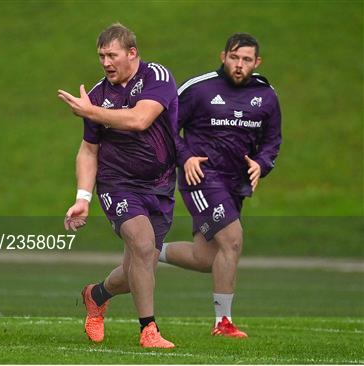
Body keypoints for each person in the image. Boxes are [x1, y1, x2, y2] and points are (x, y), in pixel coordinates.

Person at [57, 23, 178, 348]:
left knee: (140, 268)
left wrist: (92, 112)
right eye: (101, 56)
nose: (106, 62)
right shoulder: (97, 96)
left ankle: (96, 295)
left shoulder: (157, 77)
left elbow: (141, 119)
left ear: (132, 53)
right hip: (117, 184)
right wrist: (83, 198)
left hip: (161, 185)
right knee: (141, 244)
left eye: (112, 55)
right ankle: (148, 330)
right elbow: (88, 150)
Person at [158, 33, 282, 337]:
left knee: (207, 258)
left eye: (246, 60)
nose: (239, 65)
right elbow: (166, 129)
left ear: (257, 62)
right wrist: (185, 156)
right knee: (233, 240)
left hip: (235, 184)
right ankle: (223, 324)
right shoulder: (198, 89)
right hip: (202, 178)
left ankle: (148, 250)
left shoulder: (267, 95)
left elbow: (272, 141)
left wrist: (261, 164)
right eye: (234, 58)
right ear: (223, 56)